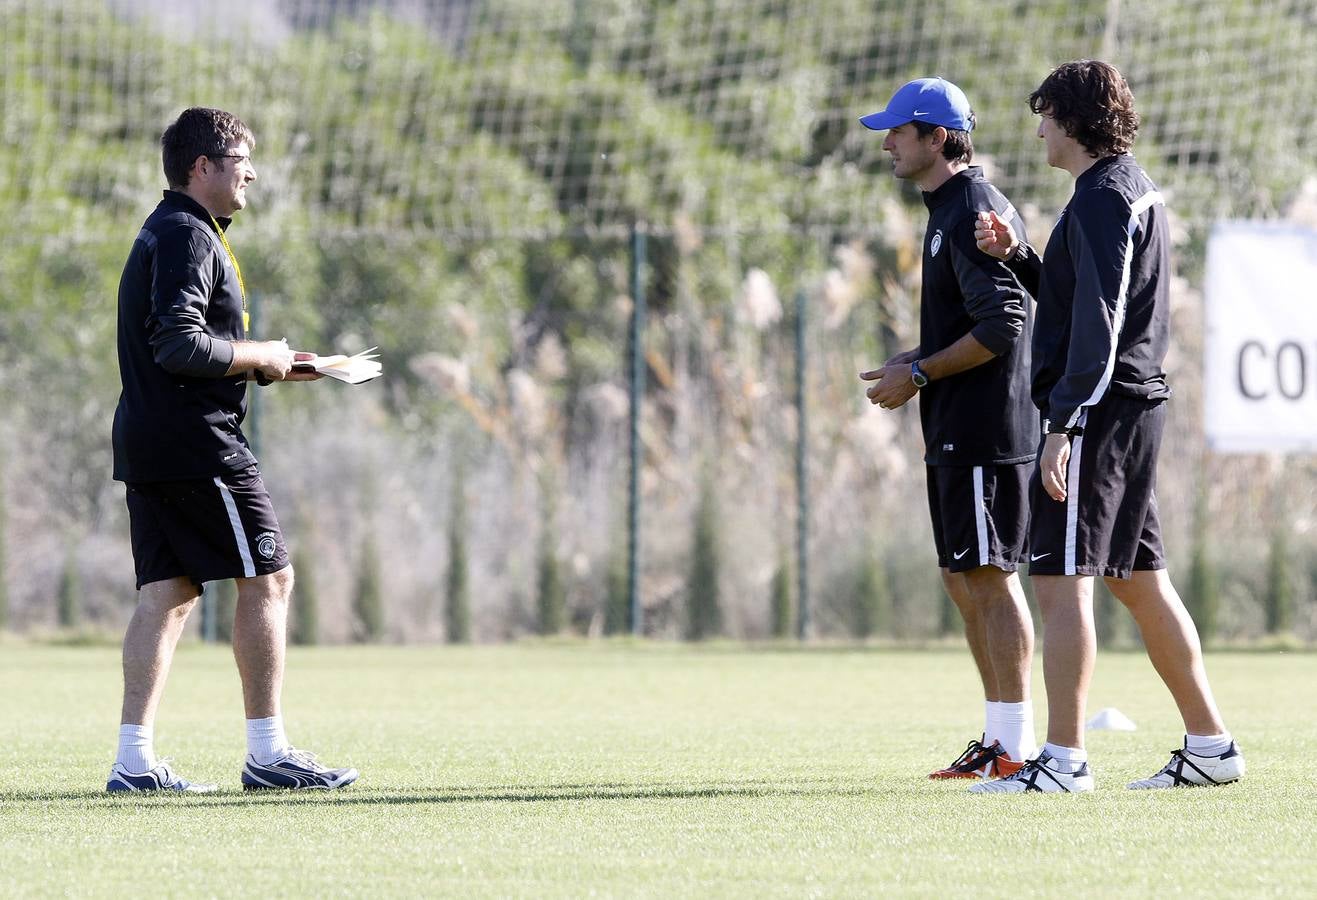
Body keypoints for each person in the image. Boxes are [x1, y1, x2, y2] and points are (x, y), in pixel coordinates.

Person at [970, 61, 1244, 793]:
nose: (1037, 131)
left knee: (1061, 583)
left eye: (1045, 117)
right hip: (1127, 410)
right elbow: (1077, 303)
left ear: (1073, 120)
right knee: (1140, 583)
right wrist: (1020, 257)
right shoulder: (1117, 191)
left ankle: (1062, 761)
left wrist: (1063, 423)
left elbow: (1101, 325)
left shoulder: (1101, 200)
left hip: (1099, 412)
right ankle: (1211, 747)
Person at [108, 107, 358, 792]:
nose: (251, 171)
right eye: (240, 158)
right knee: (270, 579)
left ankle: (133, 764)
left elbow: (184, 345)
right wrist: (258, 353)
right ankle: (268, 754)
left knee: (169, 591)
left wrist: (284, 361)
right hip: (197, 442)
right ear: (202, 167)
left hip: (150, 436)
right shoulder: (188, 234)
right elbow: (179, 345)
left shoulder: (171, 230)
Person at [858, 78, 1040, 780]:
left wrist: (923, 374)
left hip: (984, 427)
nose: (887, 143)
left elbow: (1004, 324)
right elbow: (977, 317)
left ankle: (1016, 749)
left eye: (898, 131)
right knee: (961, 579)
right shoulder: (946, 208)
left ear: (937, 138)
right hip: (958, 425)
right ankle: (998, 741)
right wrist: (916, 355)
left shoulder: (969, 206)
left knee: (989, 579)